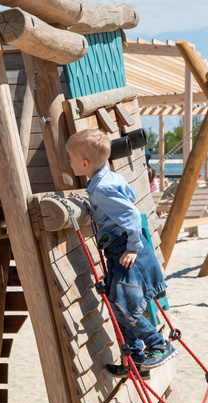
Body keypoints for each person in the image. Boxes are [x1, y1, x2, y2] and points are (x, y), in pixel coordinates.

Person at [66, 129, 176, 379]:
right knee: (120, 302)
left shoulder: (102, 187)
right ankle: (136, 358)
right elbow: (130, 195)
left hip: (126, 249)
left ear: (84, 164)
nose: (69, 163)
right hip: (119, 249)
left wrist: (132, 247)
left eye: (71, 158)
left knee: (122, 304)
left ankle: (159, 344)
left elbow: (132, 216)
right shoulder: (109, 179)